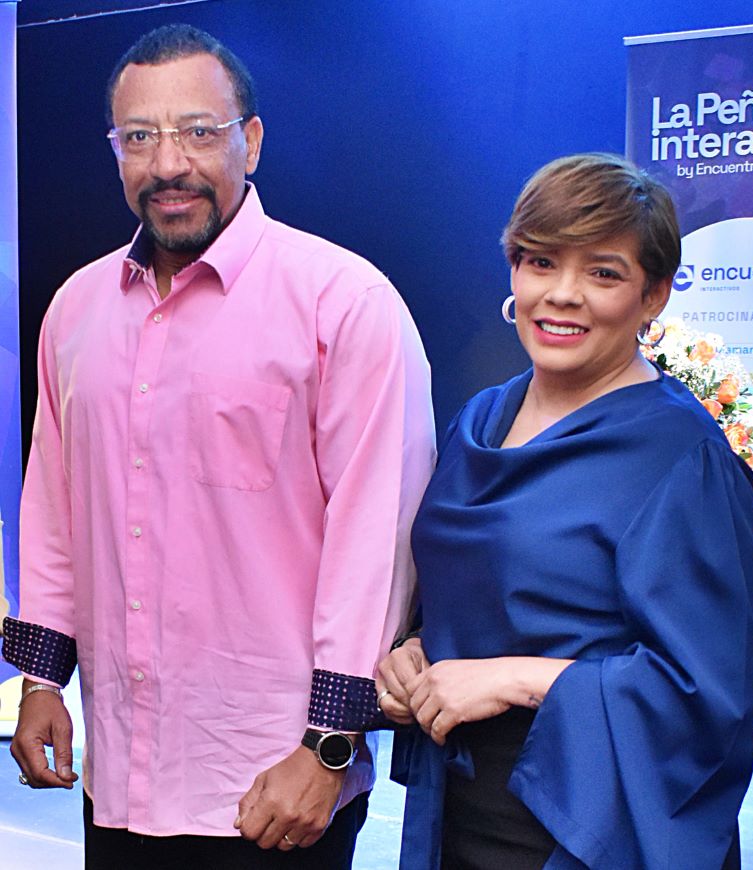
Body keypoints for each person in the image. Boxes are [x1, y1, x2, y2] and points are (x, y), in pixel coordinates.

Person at [2, 23, 435, 869]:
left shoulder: (342, 302)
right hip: (120, 773)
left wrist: (328, 748)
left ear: (252, 141)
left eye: (199, 131)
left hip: (274, 785)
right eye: (140, 137)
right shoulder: (76, 309)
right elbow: (53, 506)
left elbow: (376, 544)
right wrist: (42, 681)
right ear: (115, 151)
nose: (169, 163)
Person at [377, 153, 753, 870]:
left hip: (587, 823)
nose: (562, 294)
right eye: (540, 262)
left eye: (603, 273)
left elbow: (709, 695)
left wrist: (512, 677)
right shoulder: (479, 420)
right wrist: (414, 650)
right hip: (459, 808)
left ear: (654, 296)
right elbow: (473, 593)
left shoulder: (682, 457)